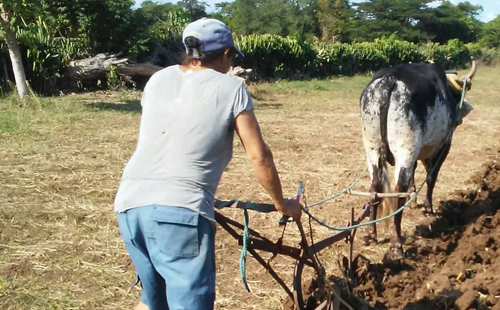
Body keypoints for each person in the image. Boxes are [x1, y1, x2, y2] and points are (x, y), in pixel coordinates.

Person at [114, 18, 302, 310]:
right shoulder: (232, 89)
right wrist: (282, 204)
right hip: (180, 211)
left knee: (153, 300)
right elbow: (259, 156)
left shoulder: (158, 80)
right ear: (226, 54)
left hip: (130, 204)